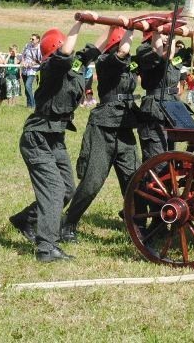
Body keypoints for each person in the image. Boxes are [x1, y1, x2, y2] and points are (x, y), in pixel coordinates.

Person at [9, 16, 99, 262]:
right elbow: (66, 54)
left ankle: (25, 219)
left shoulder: (70, 70)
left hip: (55, 138)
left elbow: (95, 51)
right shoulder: (51, 69)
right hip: (37, 138)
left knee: (67, 189)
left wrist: (117, 28)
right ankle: (46, 248)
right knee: (54, 190)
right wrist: (79, 24)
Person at [61, 25, 139, 243]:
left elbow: (150, 54)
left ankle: (137, 223)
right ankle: (69, 223)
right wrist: (130, 29)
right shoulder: (106, 61)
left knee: (135, 178)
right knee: (93, 181)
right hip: (103, 126)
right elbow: (123, 51)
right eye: (122, 43)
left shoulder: (129, 64)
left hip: (124, 126)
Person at [135, 30, 184, 163]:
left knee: (171, 154)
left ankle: (166, 182)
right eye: (164, 33)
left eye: (168, 34)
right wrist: (173, 34)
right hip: (154, 106)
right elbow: (165, 55)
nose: (167, 37)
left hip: (171, 104)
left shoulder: (171, 50)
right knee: (156, 158)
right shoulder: (144, 50)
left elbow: (187, 56)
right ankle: (150, 182)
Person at [21, 34, 42, 108]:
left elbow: (41, 59)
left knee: (28, 85)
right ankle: (28, 105)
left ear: (38, 40)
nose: (31, 40)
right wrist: (23, 61)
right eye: (30, 39)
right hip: (24, 70)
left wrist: (33, 63)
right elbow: (23, 55)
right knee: (26, 89)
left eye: (32, 39)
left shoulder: (40, 48)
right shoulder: (27, 45)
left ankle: (33, 104)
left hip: (33, 70)